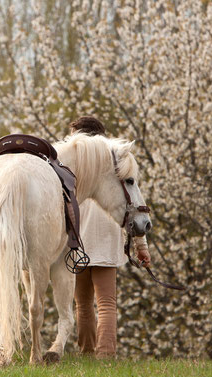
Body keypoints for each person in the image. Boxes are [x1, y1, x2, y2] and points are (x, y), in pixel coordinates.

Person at [69, 116, 151, 358]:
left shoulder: (73, 165)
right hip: (107, 238)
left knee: (83, 305)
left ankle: (86, 355)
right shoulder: (118, 160)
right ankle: (105, 357)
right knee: (106, 304)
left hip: (78, 240)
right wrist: (141, 245)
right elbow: (135, 203)